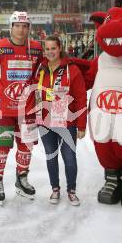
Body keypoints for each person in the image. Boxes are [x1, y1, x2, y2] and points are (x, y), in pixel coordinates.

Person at [0, 11, 43, 204]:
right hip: (4, 107)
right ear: (11, 27)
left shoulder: (36, 48)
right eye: (18, 25)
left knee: (26, 146)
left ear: (29, 28)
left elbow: (42, 75)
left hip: (27, 108)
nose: (21, 29)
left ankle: (22, 179)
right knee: (1, 146)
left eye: (25, 26)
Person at [34, 35, 87, 206]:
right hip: (45, 123)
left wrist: (81, 125)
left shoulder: (72, 70)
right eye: (47, 49)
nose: (50, 52)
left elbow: (80, 98)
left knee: (69, 158)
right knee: (51, 157)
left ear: (59, 48)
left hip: (67, 123)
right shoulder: (41, 69)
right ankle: (55, 189)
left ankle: (71, 190)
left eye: (53, 48)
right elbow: (35, 94)